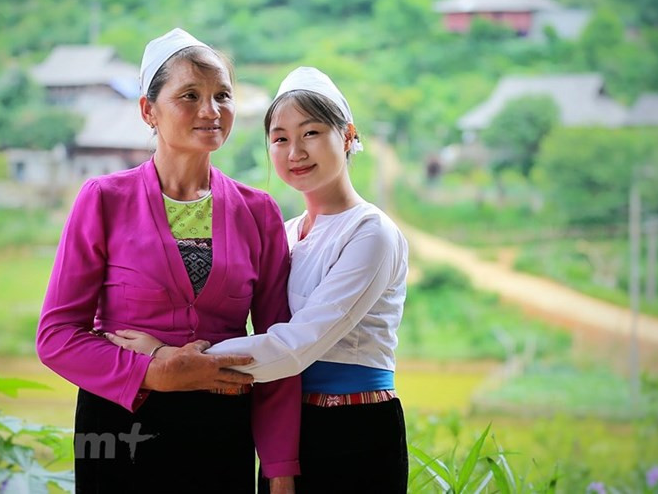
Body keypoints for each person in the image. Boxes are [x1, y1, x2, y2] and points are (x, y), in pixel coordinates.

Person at [108, 66, 410, 493]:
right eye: (280, 138)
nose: (295, 152)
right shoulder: (286, 234)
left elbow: (295, 345)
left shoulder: (371, 232)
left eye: (311, 133)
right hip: (284, 425)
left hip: (354, 427)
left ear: (346, 136)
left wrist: (170, 356)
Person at [36, 28, 301, 494]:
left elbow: (280, 346)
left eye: (223, 95)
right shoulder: (103, 200)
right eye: (190, 95)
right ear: (148, 111)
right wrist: (154, 370)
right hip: (120, 432)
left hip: (221, 435)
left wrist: (279, 469)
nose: (211, 110)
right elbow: (57, 337)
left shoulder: (258, 211)